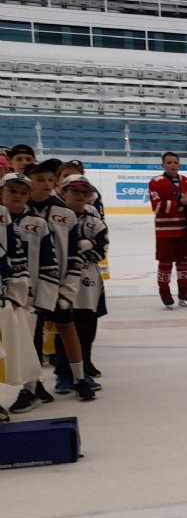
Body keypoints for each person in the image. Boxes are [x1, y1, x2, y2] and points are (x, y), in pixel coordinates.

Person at [24, 160, 91, 403]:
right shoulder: (19, 211)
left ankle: (80, 379)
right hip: (29, 286)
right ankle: (32, 386)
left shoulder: (65, 213)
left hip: (58, 284)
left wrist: (68, 289)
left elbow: (74, 254)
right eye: (39, 179)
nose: (45, 184)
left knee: (67, 328)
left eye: (50, 180)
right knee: (31, 335)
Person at [1, 171, 58, 413]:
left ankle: (31, 389)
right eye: (12, 191)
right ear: (1, 193)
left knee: (31, 343)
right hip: (5, 295)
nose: (17, 196)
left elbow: (49, 262)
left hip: (28, 297)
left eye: (23, 192)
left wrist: (45, 299)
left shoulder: (38, 224)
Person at [53, 174, 107, 395]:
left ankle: (83, 370)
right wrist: (86, 244)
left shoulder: (95, 221)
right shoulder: (55, 219)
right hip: (61, 280)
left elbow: (101, 250)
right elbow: (56, 248)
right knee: (63, 327)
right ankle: (63, 374)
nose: (80, 195)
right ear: (63, 192)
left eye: (85, 192)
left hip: (88, 283)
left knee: (86, 328)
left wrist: (79, 250)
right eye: (74, 191)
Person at [148, 152, 187, 309]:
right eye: (169, 162)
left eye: (175, 162)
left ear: (179, 165)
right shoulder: (156, 182)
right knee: (165, 262)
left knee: (184, 262)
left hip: (185, 230)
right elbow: (157, 207)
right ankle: (164, 292)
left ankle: (184, 291)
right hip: (165, 231)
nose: (172, 165)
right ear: (163, 165)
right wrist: (180, 202)